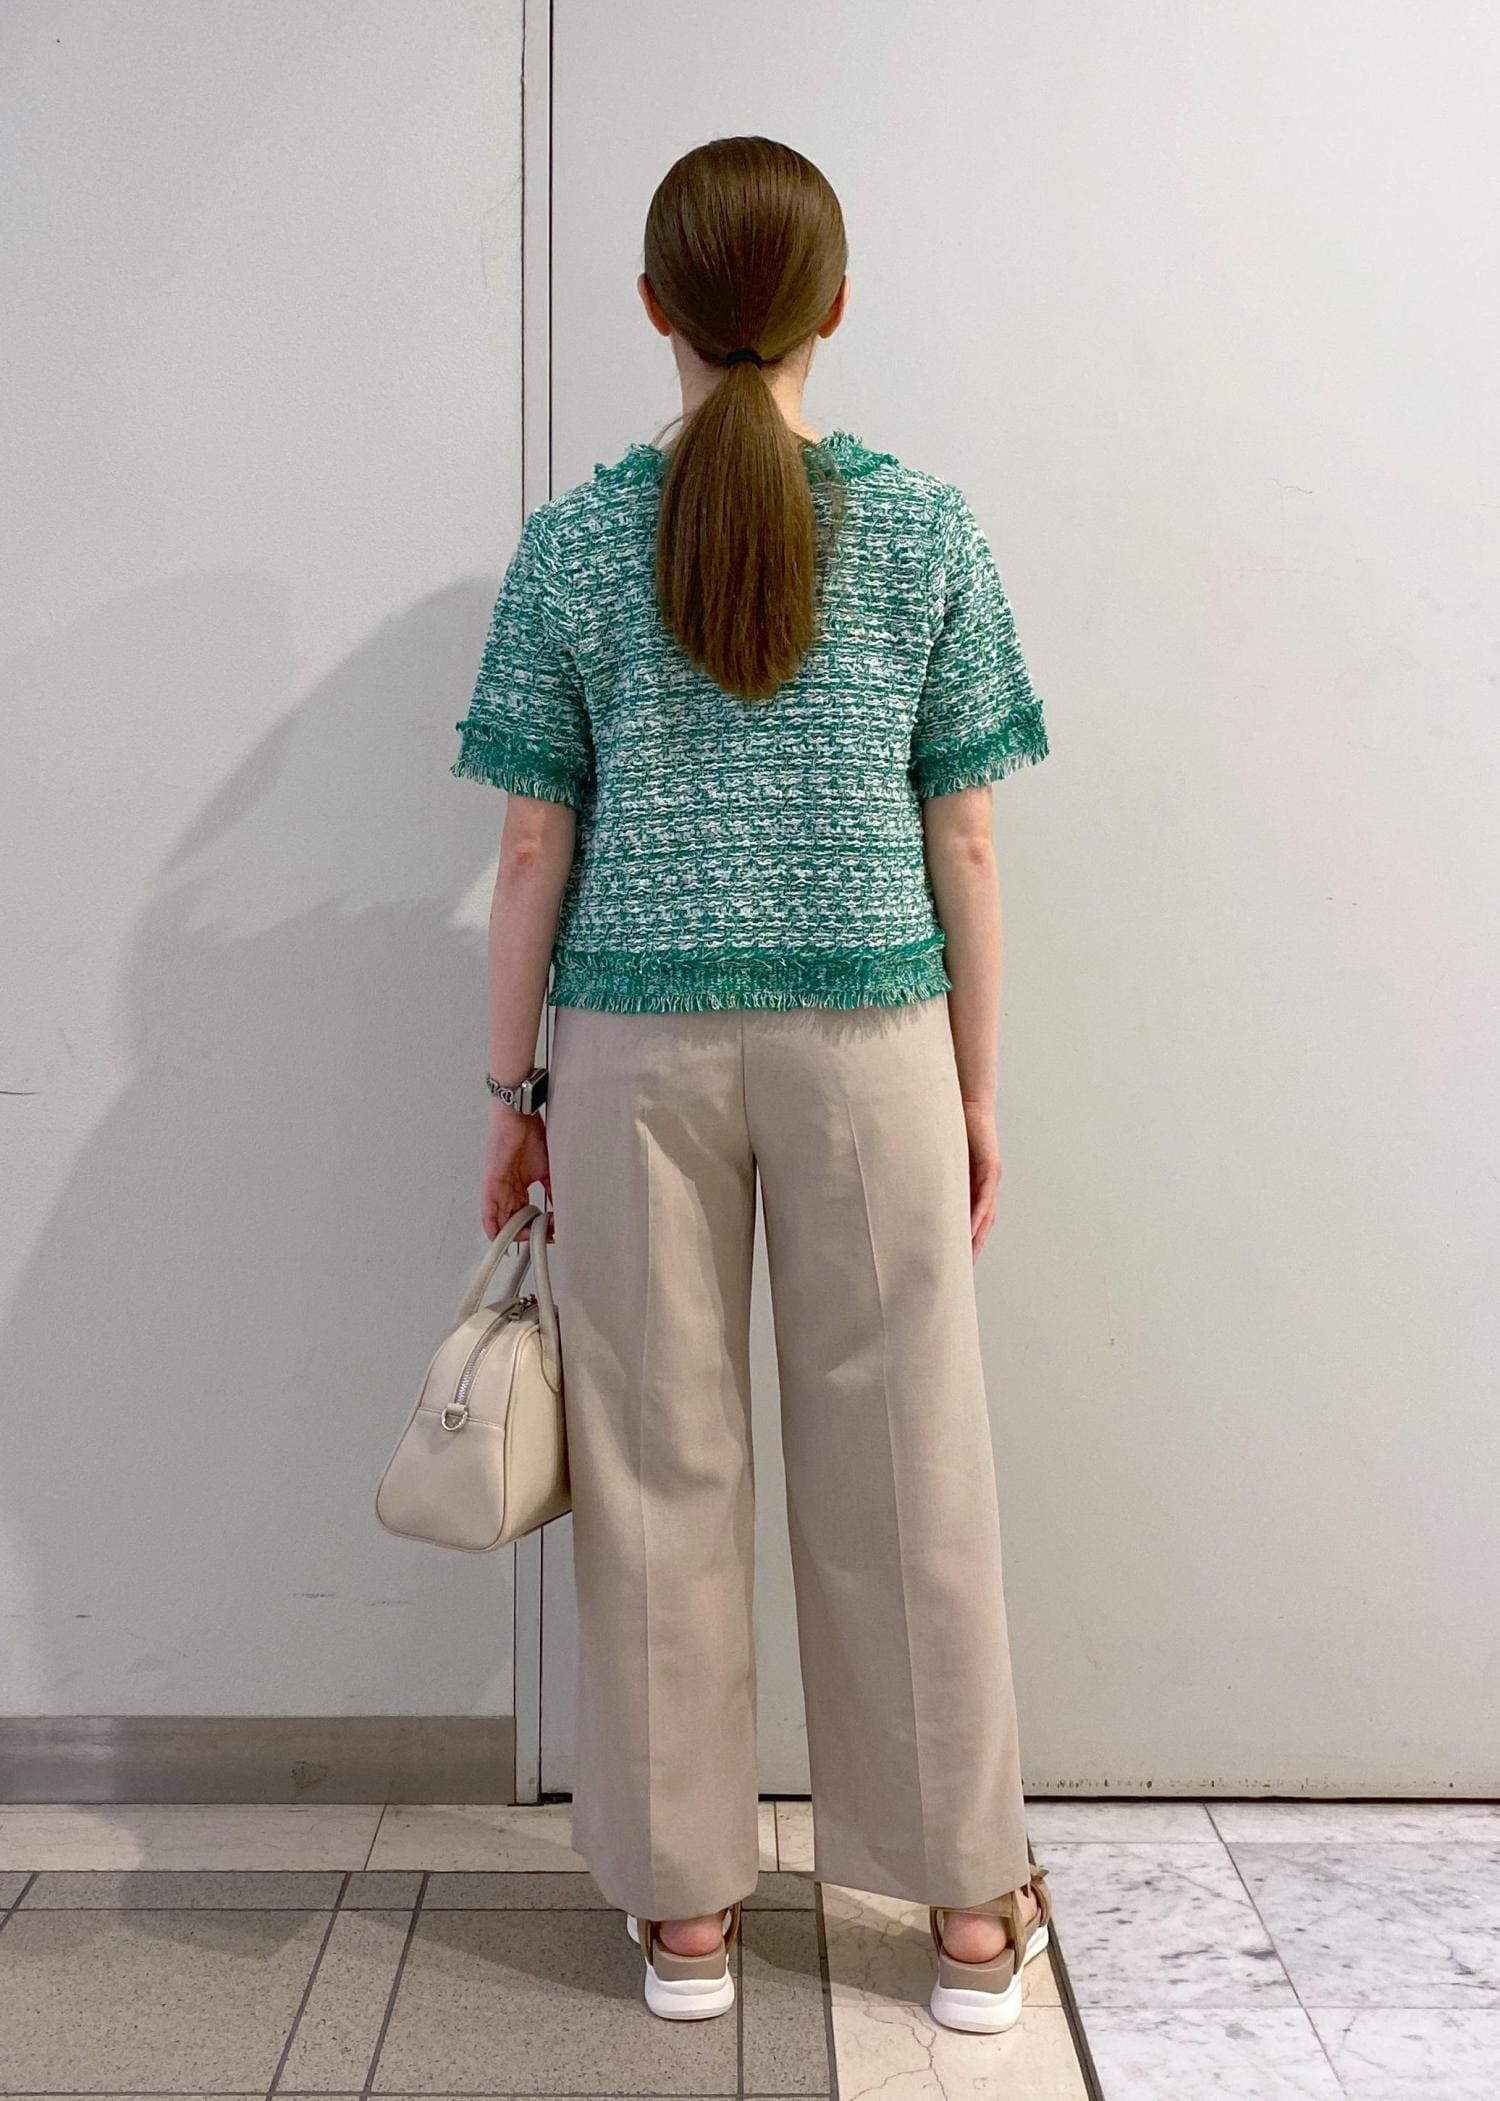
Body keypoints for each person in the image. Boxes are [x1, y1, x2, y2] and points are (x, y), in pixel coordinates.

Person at [452, 134, 1052, 2034]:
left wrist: (511, 1089)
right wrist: (973, 1087)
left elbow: (530, 853)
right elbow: (966, 840)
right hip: (873, 1041)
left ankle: (688, 1915)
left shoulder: (572, 546)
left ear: (653, 307)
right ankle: (966, 1918)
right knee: (908, 1459)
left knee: (658, 1459)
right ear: (834, 308)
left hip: (632, 1057)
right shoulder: (926, 531)